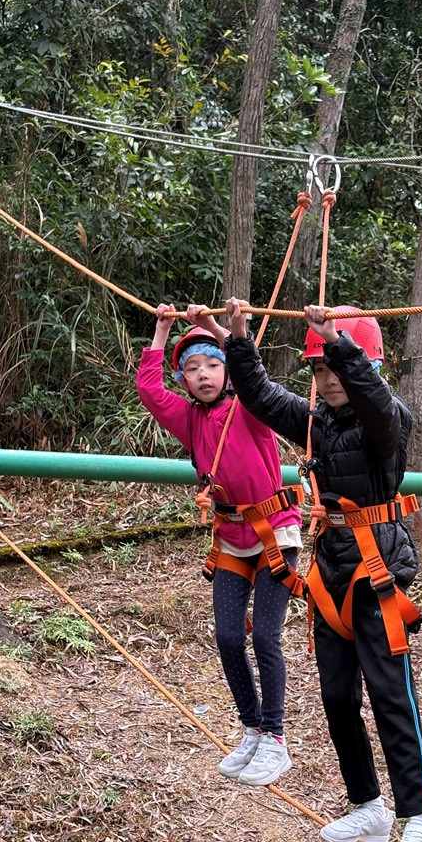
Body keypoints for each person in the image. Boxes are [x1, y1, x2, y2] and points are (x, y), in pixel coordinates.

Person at [223, 297, 422, 842]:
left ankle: (420, 819)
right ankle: (368, 805)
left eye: (336, 368)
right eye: (319, 370)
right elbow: (260, 395)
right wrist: (239, 340)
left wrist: (339, 345)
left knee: (390, 694)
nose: (328, 379)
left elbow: (373, 402)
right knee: (337, 697)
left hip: (377, 569)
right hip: (331, 571)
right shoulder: (316, 424)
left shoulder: (388, 419)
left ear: (366, 365)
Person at [136, 302, 303, 787]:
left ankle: (275, 738)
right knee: (229, 637)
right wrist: (163, 329)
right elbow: (150, 391)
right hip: (230, 537)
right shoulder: (190, 420)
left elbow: (250, 371)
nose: (203, 374)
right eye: (192, 369)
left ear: (227, 371)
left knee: (265, 637)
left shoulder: (250, 406)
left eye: (212, 364)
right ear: (184, 381)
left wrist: (217, 327)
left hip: (274, 530)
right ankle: (252, 728)